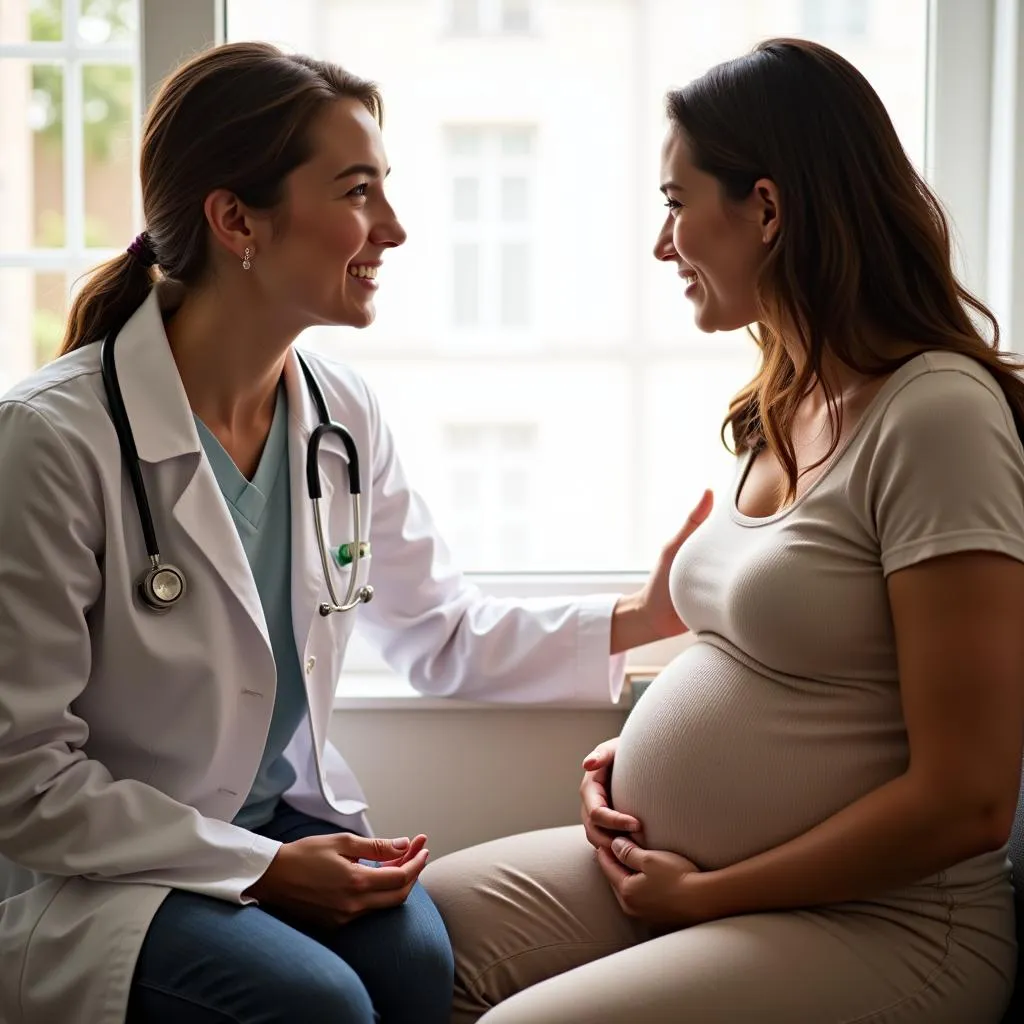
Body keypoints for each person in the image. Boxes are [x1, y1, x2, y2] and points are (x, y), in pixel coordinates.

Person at [0, 42, 702, 1024]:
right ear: (236, 219)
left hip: (272, 825)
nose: (396, 229)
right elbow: (22, 779)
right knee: (317, 1004)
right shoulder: (52, 438)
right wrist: (263, 868)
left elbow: (438, 634)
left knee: (415, 961)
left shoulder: (338, 415)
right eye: (358, 191)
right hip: (100, 874)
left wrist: (642, 615)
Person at [420, 37, 1024, 1024]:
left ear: (768, 209)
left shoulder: (937, 417)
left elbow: (967, 799)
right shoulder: (784, 399)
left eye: (674, 203)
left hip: (884, 922)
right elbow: (789, 652)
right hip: (704, 873)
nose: (663, 245)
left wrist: (704, 894)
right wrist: (628, 762)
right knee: (409, 935)